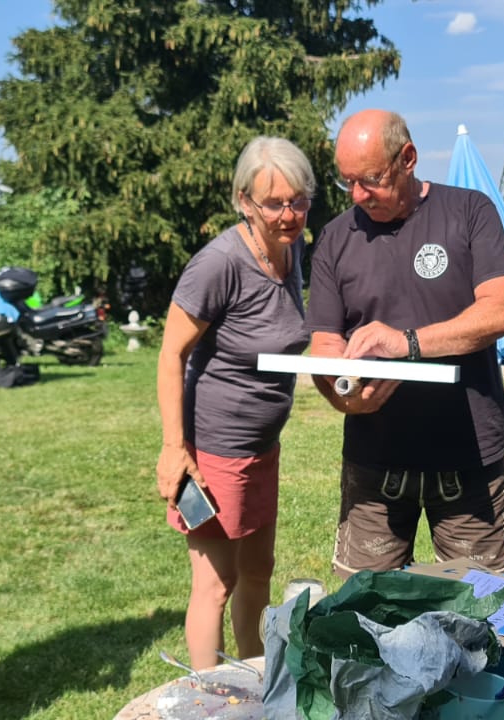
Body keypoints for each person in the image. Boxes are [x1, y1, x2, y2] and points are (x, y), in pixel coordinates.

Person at [304, 109, 504, 577]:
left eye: (371, 179)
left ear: (408, 158)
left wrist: (405, 343)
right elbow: (324, 342)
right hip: (374, 463)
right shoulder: (335, 238)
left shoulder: (469, 211)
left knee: (481, 608)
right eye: (347, 182)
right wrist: (343, 395)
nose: (358, 195)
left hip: (467, 459)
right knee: (366, 608)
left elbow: (503, 311)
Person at [156, 136, 313, 670]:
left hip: (262, 448)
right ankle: (207, 695)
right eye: (274, 203)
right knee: (216, 583)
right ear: (244, 200)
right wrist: (175, 449)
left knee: (258, 573)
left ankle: (256, 683)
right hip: (213, 453)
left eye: (298, 201)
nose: (289, 214)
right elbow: (171, 353)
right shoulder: (219, 263)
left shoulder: (292, 250)